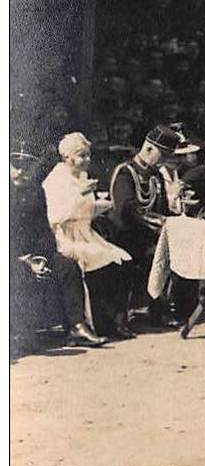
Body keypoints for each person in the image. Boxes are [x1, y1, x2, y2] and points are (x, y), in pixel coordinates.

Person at [14, 150, 107, 349]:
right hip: (12, 257)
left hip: (36, 253)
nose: (21, 171)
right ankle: (18, 334)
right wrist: (22, 260)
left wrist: (43, 257)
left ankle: (76, 327)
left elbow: (43, 229)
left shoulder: (34, 192)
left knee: (68, 265)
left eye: (27, 166)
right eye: (16, 166)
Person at [43, 132, 129, 340]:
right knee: (96, 258)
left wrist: (104, 205)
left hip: (86, 233)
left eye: (88, 155)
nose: (87, 160)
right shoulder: (55, 180)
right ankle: (80, 327)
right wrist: (80, 194)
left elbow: (86, 211)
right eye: (82, 156)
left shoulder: (81, 176)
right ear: (67, 157)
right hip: (66, 237)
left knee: (120, 258)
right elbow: (56, 217)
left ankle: (108, 322)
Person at [108, 125, 181, 330]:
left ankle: (160, 310)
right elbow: (126, 209)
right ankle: (130, 315)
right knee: (155, 253)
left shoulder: (155, 175)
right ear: (148, 149)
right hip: (125, 236)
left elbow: (164, 209)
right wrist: (158, 223)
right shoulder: (125, 172)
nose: (164, 161)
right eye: (162, 155)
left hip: (150, 236)